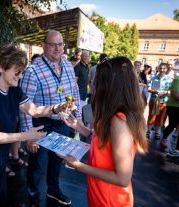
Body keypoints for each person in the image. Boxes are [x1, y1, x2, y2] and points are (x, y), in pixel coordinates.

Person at [0, 44, 71, 206]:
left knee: (2, 200)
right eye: (17, 71)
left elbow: (34, 110)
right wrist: (26, 136)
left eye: (22, 71)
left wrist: (55, 108)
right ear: (2, 67)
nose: (21, 75)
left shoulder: (13, 89)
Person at [61, 56, 148, 207]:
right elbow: (105, 142)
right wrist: (79, 126)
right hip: (99, 193)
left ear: (111, 87)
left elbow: (122, 178)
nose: (94, 86)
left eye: (98, 82)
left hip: (109, 200)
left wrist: (78, 165)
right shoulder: (112, 115)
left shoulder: (119, 122)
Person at [19, 30, 81, 206]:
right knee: (37, 165)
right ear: (44, 45)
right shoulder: (33, 70)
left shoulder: (68, 65)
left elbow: (74, 91)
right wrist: (28, 135)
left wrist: (78, 119)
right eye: (52, 44)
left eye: (60, 44)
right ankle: (33, 197)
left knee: (57, 161)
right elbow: (25, 106)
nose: (57, 48)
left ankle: (53, 191)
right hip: (42, 125)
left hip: (63, 123)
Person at [146, 63, 172, 140]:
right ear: (158, 68)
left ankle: (157, 132)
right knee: (152, 117)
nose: (162, 70)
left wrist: (165, 92)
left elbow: (171, 91)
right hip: (154, 101)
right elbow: (149, 88)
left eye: (163, 68)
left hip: (163, 102)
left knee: (161, 118)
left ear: (166, 69)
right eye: (160, 68)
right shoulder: (155, 78)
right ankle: (148, 132)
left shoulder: (169, 80)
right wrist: (155, 91)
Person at [160, 75, 179, 148]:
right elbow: (175, 94)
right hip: (174, 107)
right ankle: (164, 138)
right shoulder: (177, 79)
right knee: (172, 124)